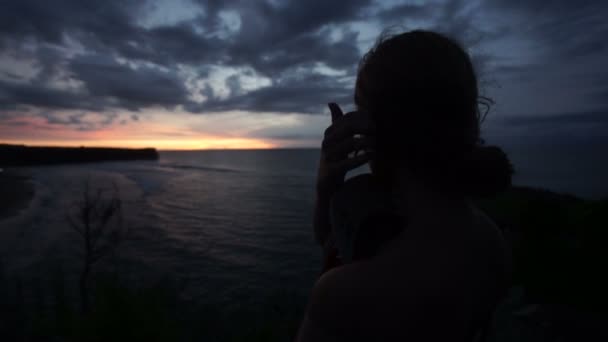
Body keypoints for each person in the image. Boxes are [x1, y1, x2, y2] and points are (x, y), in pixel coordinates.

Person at [296, 30, 513, 341]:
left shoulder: (344, 295)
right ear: (471, 118)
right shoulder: (492, 244)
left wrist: (325, 186)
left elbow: (334, 262)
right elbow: (334, 243)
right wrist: (326, 192)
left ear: (368, 129)